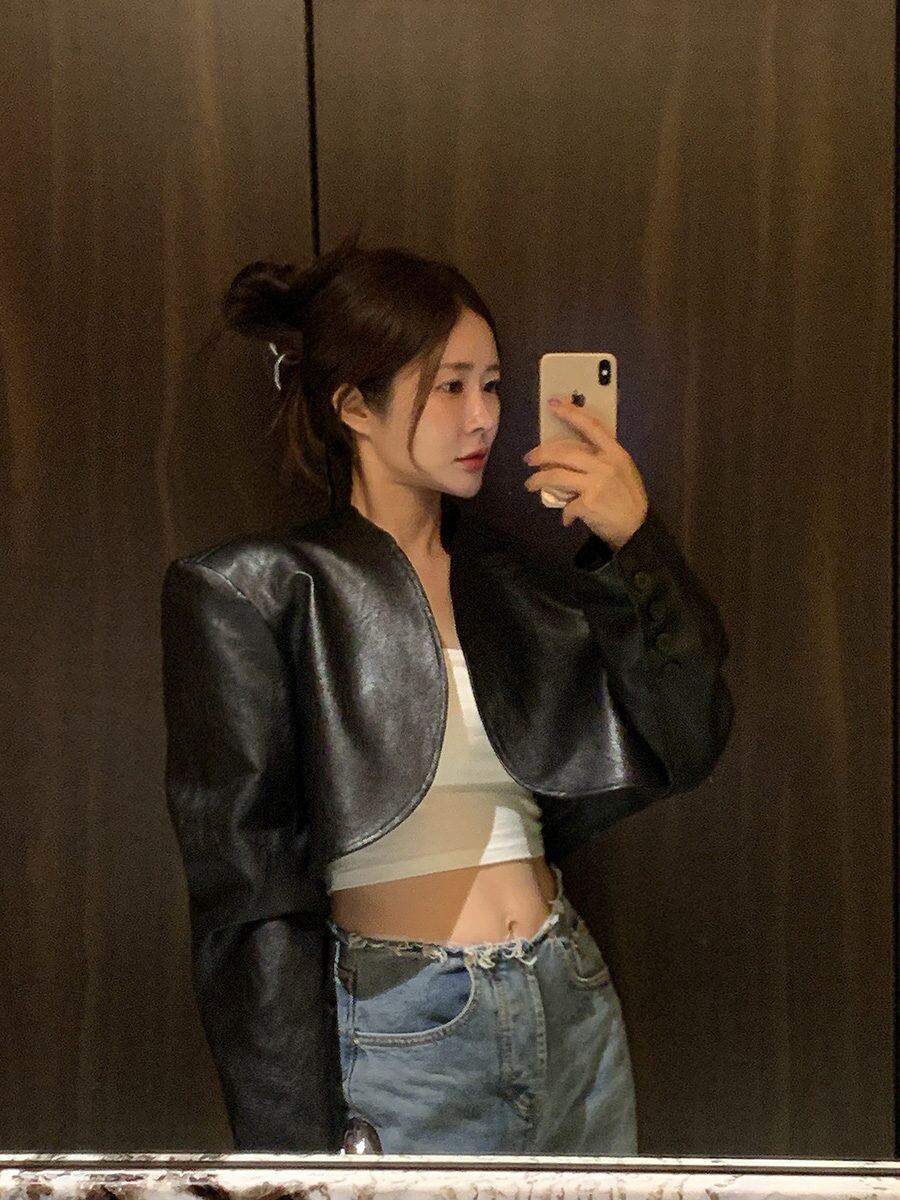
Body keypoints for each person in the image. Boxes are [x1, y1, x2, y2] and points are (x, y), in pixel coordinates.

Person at [160, 230, 734, 1155]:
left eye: (493, 385)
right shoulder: (253, 591)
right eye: (449, 386)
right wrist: (293, 1151)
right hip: (407, 1032)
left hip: (569, 1000)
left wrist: (636, 543)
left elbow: (688, 734)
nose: (483, 418)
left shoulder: (524, 587)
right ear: (355, 404)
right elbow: (247, 892)